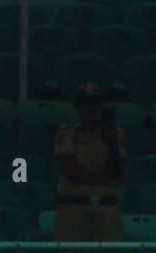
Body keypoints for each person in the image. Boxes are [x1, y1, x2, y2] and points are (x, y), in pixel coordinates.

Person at [53, 82, 127, 243]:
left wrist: (111, 143)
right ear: (77, 107)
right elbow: (71, 169)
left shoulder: (116, 135)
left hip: (106, 208)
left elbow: (117, 170)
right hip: (73, 208)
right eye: (85, 103)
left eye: (95, 103)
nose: (91, 108)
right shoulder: (68, 133)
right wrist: (105, 181)